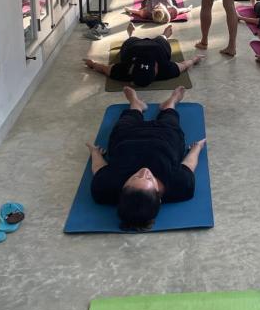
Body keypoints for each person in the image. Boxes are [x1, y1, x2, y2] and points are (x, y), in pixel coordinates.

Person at [87, 85, 206, 230]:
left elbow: (99, 168)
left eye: (135, 177)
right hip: (165, 136)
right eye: (149, 179)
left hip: (127, 136)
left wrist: (95, 152)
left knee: (126, 120)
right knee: (170, 119)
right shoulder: (180, 185)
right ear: (159, 196)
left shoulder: (104, 188)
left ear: (122, 188)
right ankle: (170, 103)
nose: (144, 171)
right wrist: (196, 148)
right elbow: (189, 165)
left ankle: (136, 105)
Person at [83, 23, 202, 86]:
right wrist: (194, 60)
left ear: (131, 69)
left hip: (133, 46)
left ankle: (132, 35)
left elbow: (103, 68)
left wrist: (92, 64)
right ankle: (164, 36)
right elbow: (184, 65)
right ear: (156, 71)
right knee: (162, 40)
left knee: (130, 41)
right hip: (158, 47)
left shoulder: (122, 71)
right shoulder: (166, 70)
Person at [125, 0, 190, 24]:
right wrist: (188, 9)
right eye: (159, 7)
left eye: (156, 7)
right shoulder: (172, 10)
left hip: (150, 0)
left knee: (147, 2)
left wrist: (128, 10)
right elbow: (181, 10)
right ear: (166, 10)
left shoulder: (146, 12)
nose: (158, 5)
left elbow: (137, 11)